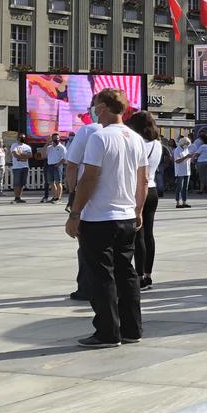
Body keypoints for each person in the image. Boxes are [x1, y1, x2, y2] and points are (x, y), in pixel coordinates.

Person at [65, 88, 148, 348]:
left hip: (99, 216)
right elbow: (143, 179)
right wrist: (138, 210)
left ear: (104, 106)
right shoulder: (136, 139)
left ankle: (107, 332)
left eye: (96, 105)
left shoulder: (100, 137)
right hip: (126, 215)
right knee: (127, 274)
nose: (94, 110)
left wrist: (75, 212)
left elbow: (89, 177)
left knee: (101, 276)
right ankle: (132, 328)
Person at [64, 116, 105, 301]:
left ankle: (87, 287)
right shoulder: (127, 133)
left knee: (86, 246)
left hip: (89, 197)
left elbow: (72, 165)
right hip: (120, 201)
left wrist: (72, 194)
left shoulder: (88, 131)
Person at [128, 111, 162, 290]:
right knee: (149, 234)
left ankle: (139, 275)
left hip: (138, 189)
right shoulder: (158, 144)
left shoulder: (137, 143)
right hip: (153, 190)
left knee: (138, 235)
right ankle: (148, 275)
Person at [41, 133, 67, 203]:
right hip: (50, 166)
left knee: (58, 182)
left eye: (58, 138)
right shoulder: (49, 148)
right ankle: (55, 197)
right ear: (52, 139)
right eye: (55, 138)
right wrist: (47, 143)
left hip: (57, 166)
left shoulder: (62, 147)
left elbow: (65, 158)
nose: (57, 139)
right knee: (51, 182)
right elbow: (43, 155)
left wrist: (58, 164)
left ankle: (58, 198)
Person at [8, 135, 33, 203]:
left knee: (22, 183)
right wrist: (24, 156)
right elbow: (15, 154)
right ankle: (16, 197)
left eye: (23, 138)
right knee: (17, 183)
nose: (22, 138)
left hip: (25, 166)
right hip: (17, 167)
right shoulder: (14, 145)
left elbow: (30, 155)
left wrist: (21, 156)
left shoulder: (27, 147)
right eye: (21, 137)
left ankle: (19, 197)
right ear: (18, 138)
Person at [192, 130, 207, 194]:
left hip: (201, 162)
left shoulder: (203, 146)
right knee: (205, 177)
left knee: (202, 177)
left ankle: (201, 190)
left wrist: (193, 159)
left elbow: (196, 154)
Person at [172, 136, 193, 208]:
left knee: (185, 187)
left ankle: (184, 201)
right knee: (179, 187)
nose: (187, 145)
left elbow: (187, 158)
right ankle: (178, 202)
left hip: (187, 170)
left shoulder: (186, 149)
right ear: (183, 143)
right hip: (180, 171)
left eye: (188, 144)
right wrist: (186, 156)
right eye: (186, 144)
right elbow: (177, 161)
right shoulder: (177, 150)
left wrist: (191, 157)